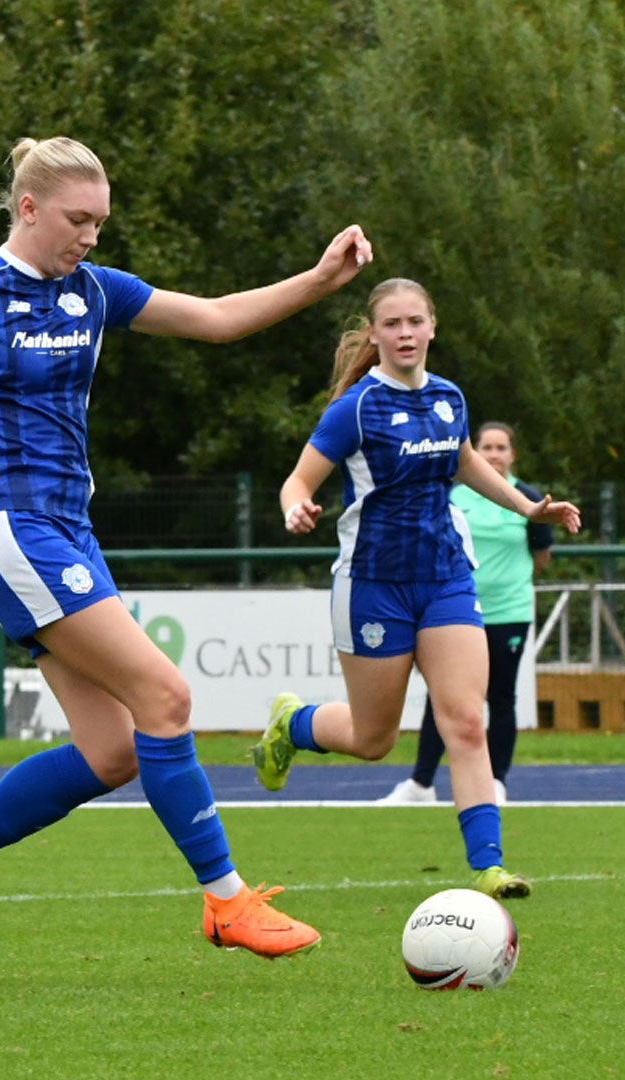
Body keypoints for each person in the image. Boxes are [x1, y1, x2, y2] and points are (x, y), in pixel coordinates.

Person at [0, 136, 372, 960]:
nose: (91, 236)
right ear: (28, 209)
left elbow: (218, 319)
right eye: (78, 220)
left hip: (65, 532)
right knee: (166, 697)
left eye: (101, 222)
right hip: (9, 530)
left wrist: (321, 279)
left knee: (116, 749)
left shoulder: (95, 290)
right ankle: (226, 901)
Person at [248, 279, 580, 900]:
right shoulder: (356, 407)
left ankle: (489, 865)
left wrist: (526, 507)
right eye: (392, 324)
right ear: (373, 335)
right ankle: (293, 724)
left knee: (466, 722)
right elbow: (299, 480)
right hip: (373, 585)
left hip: (447, 581)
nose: (404, 333)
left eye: (415, 322)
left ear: (432, 327)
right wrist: (297, 508)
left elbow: (462, 461)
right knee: (374, 740)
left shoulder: (450, 398)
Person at [379, 421, 552, 806]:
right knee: (444, 696)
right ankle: (421, 784)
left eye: (501, 447)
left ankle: (496, 781)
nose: (493, 454)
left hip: (509, 612)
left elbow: (542, 556)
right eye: (486, 447)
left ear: (513, 454)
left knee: (501, 697)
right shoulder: (454, 497)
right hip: (455, 612)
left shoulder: (529, 498)